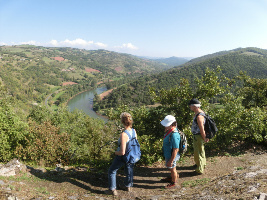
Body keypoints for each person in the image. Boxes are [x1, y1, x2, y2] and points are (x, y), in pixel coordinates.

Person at [105, 112, 136, 196]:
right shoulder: (134, 131)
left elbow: (122, 152)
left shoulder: (124, 134)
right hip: (131, 155)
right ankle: (128, 186)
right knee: (128, 170)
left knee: (112, 171)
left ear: (122, 121)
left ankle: (112, 190)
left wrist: (114, 152)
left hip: (122, 156)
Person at [188, 98, 209, 175]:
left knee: (199, 152)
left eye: (190, 105)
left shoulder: (199, 116)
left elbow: (201, 128)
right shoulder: (199, 113)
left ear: (194, 106)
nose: (190, 107)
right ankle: (201, 164)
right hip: (197, 136)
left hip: (198, 136)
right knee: (199, 151)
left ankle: (199, 169)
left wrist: (204, 138)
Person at [160, 115, 181, 189]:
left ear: (172, 124)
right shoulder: (170, 131)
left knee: (172, 168)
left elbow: (176, 149)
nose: (165, 126)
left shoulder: (174, 134)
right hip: (168, 154)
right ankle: (172, 177)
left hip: (172, 155)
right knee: (170, 167)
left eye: (167, 125)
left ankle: (173, 182)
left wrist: (171, 160)